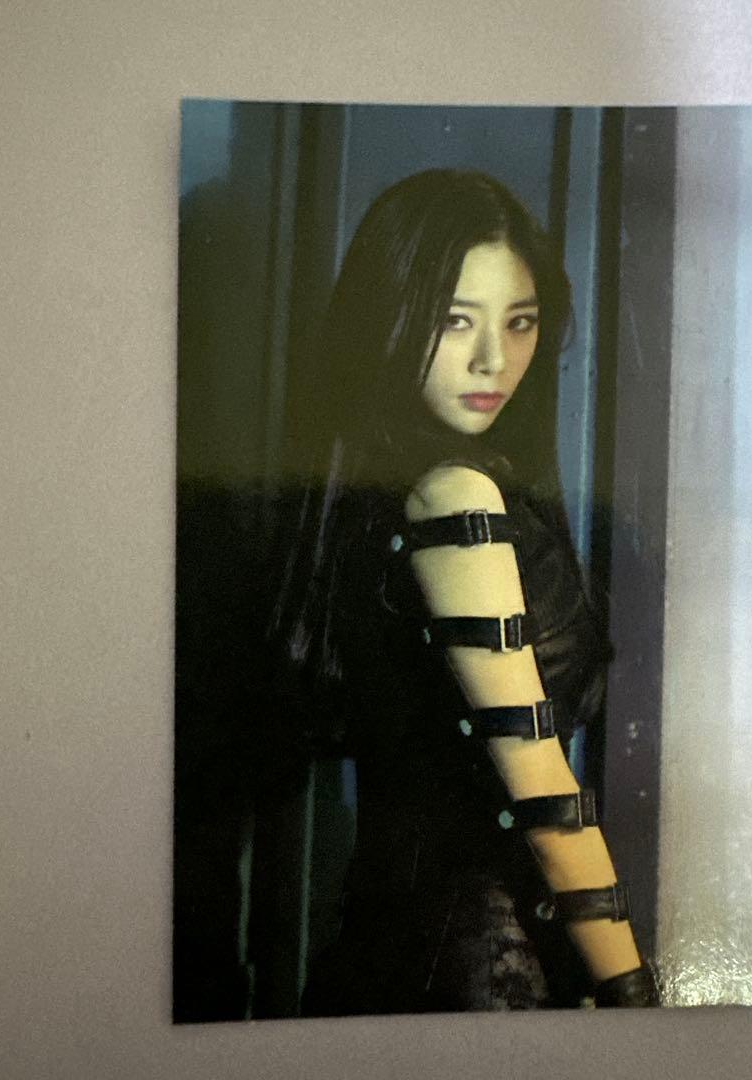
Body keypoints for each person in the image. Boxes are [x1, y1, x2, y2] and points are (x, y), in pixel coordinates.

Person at [271, 169, 658, 1013]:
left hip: (389, 954)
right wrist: (635, 996)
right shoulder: (455, 501)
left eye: (520, 322)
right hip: (478, 978)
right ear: (392, 320)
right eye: (455, 321)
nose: (494, 359)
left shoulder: (379, 496)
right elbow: (544, 794)